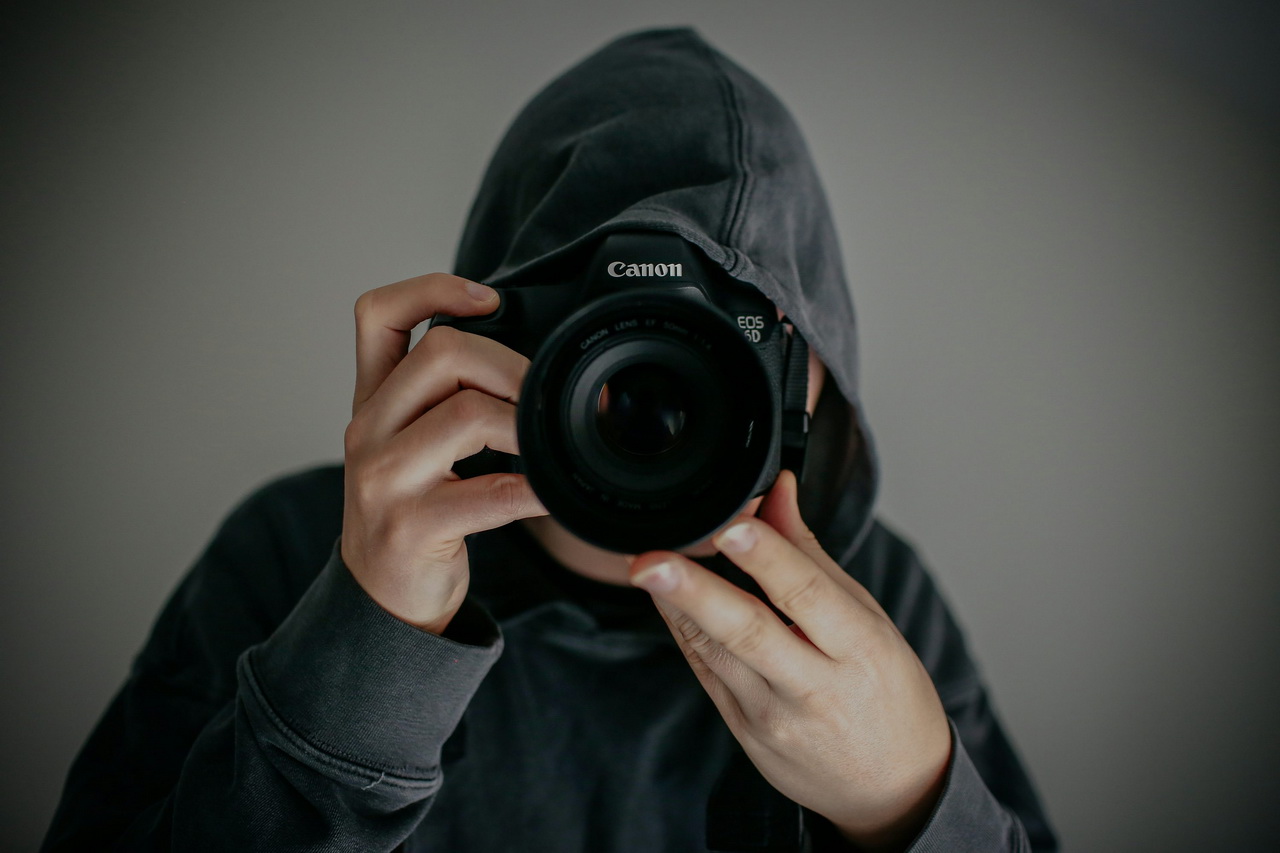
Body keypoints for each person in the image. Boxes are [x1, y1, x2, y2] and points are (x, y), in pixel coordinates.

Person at [41, 27, 1057, 852]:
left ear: (815, 378)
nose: (666, 408)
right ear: (492, 327)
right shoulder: (298, 553)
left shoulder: (878, 606)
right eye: (616, 343)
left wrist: (906, 803)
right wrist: (363, 653)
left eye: (730, 350)